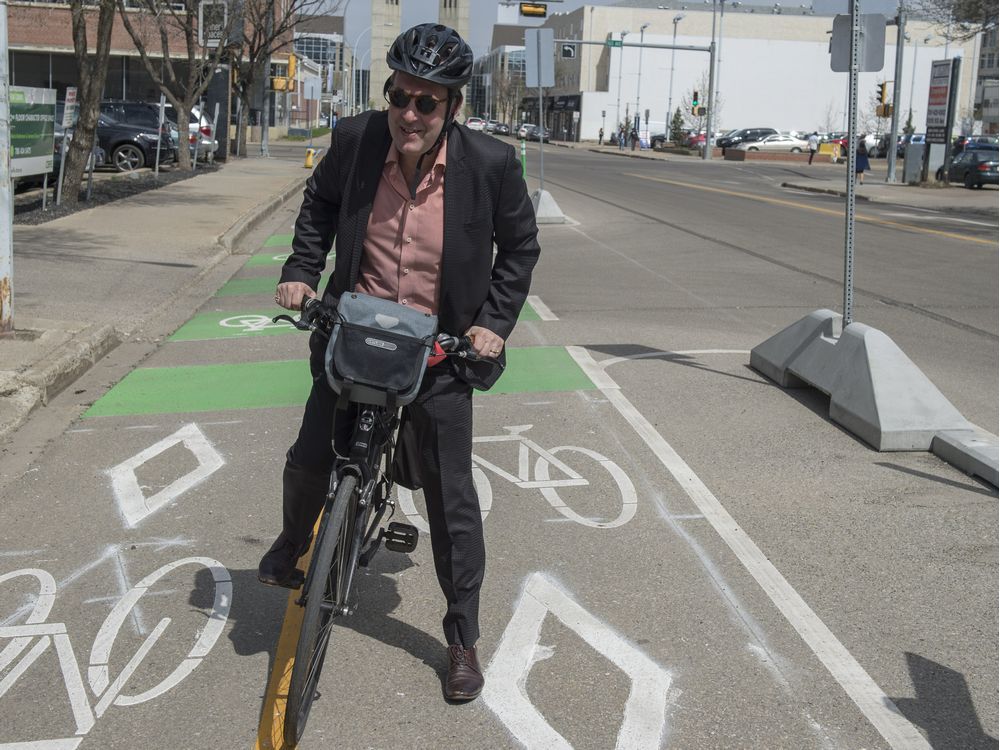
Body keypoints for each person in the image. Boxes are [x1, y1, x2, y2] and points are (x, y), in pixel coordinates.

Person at [258, 22, 541, 702]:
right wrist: (302, 269)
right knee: (308, 456)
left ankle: (462, 637)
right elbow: (320, 208)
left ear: (452, 108)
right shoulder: (356, 141)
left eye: (426, 103)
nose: (409, 114)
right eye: (400, 97)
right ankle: (295, 540)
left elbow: (520, 251)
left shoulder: (491, 166)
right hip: (355, 334)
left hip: (438, 351)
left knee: (451, 502)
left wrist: (492, 325)